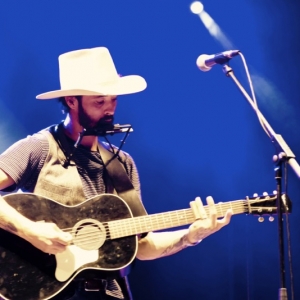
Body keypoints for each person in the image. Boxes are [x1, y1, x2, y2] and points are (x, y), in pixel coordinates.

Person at [0, 47, 232, 300]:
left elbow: (142, 246)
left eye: (113, 100)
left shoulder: (121, 163)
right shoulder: (41, 147)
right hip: (46, 290)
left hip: (108, 293)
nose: (110, 109)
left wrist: (190, 236)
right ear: (71, 101)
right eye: (99, 101)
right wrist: (30, 231)